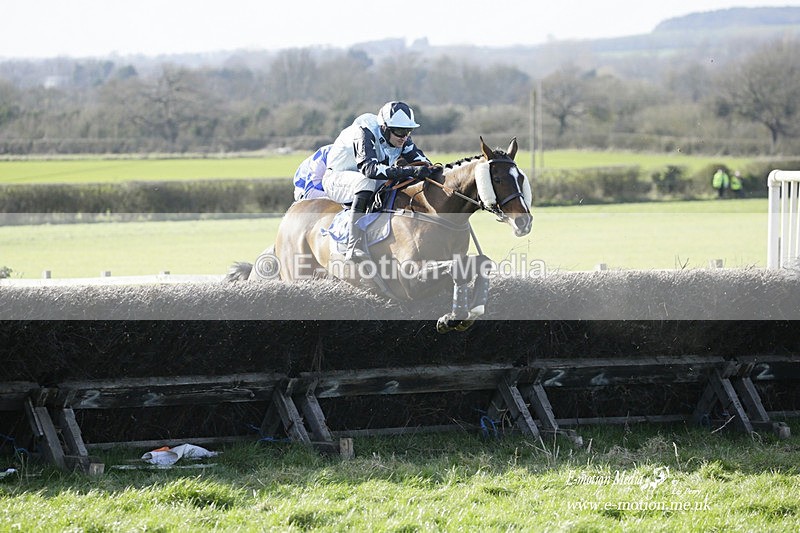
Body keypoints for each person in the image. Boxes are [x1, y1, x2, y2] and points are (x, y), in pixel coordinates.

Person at [322, 101, 433, 261]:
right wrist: (411, 170)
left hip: (368, 177)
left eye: (408, 131)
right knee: (366, 181)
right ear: (384, 128)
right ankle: (354, 246)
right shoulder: (365, 132)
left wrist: (437, 173)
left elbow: (423, 162)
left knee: (406, 181)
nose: (404, 136)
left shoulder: (402, 137)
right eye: (399, 131)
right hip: (337, 179)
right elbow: (370, 169)